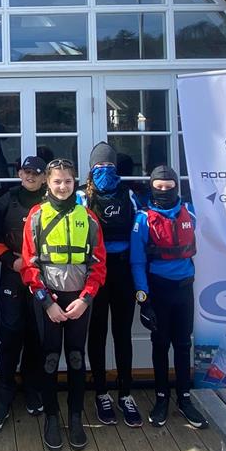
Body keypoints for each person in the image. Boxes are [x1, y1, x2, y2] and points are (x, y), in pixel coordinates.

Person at [20, 158, 106, 451]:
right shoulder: (36, 216)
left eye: (68, 181)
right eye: (57, 181)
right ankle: (52, 418)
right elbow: (29, 267)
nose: (62, 186)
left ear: (75, 182)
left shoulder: (89, 218)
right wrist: (46, 303)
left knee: (76, 358)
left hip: (79, 300)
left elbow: (99, 265)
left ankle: (75, 417)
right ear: (47, 182)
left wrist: (86, 298)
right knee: (49, 358)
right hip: (49, 300)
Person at [131, 164, 207, 429]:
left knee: (183, 344)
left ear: (177, 186)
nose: (163, 191)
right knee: (160, 344)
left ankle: (184, 399)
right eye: (158, 187)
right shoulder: (143, 219)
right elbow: (137, 262)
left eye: (169, 187)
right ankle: (161, 398)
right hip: (158, 290)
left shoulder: (191, 213)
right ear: (151, 187)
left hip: (184, 288)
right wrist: (143, 299)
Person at [77, 142, 142, 428]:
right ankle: (101, 392)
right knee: (98, 333)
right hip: (95, 270)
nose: (105, 170)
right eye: (99, 166)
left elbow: (141, 232)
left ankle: (125, 393)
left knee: (122, 333)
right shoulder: (81, 195)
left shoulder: (129, 194)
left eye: (110, 166)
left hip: (124, 270)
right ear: (91, 168)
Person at [0, 156, 47, 433]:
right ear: (19, 172)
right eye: (27, 171)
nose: (31, 177)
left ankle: (32, 389)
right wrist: (14, 261)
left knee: (37, 337)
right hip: (14, 273)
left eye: (37, 173)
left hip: (44, 277)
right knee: (9, 338)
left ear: (45, 177)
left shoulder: (52, 200)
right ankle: (3, 397)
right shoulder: (3, 199)